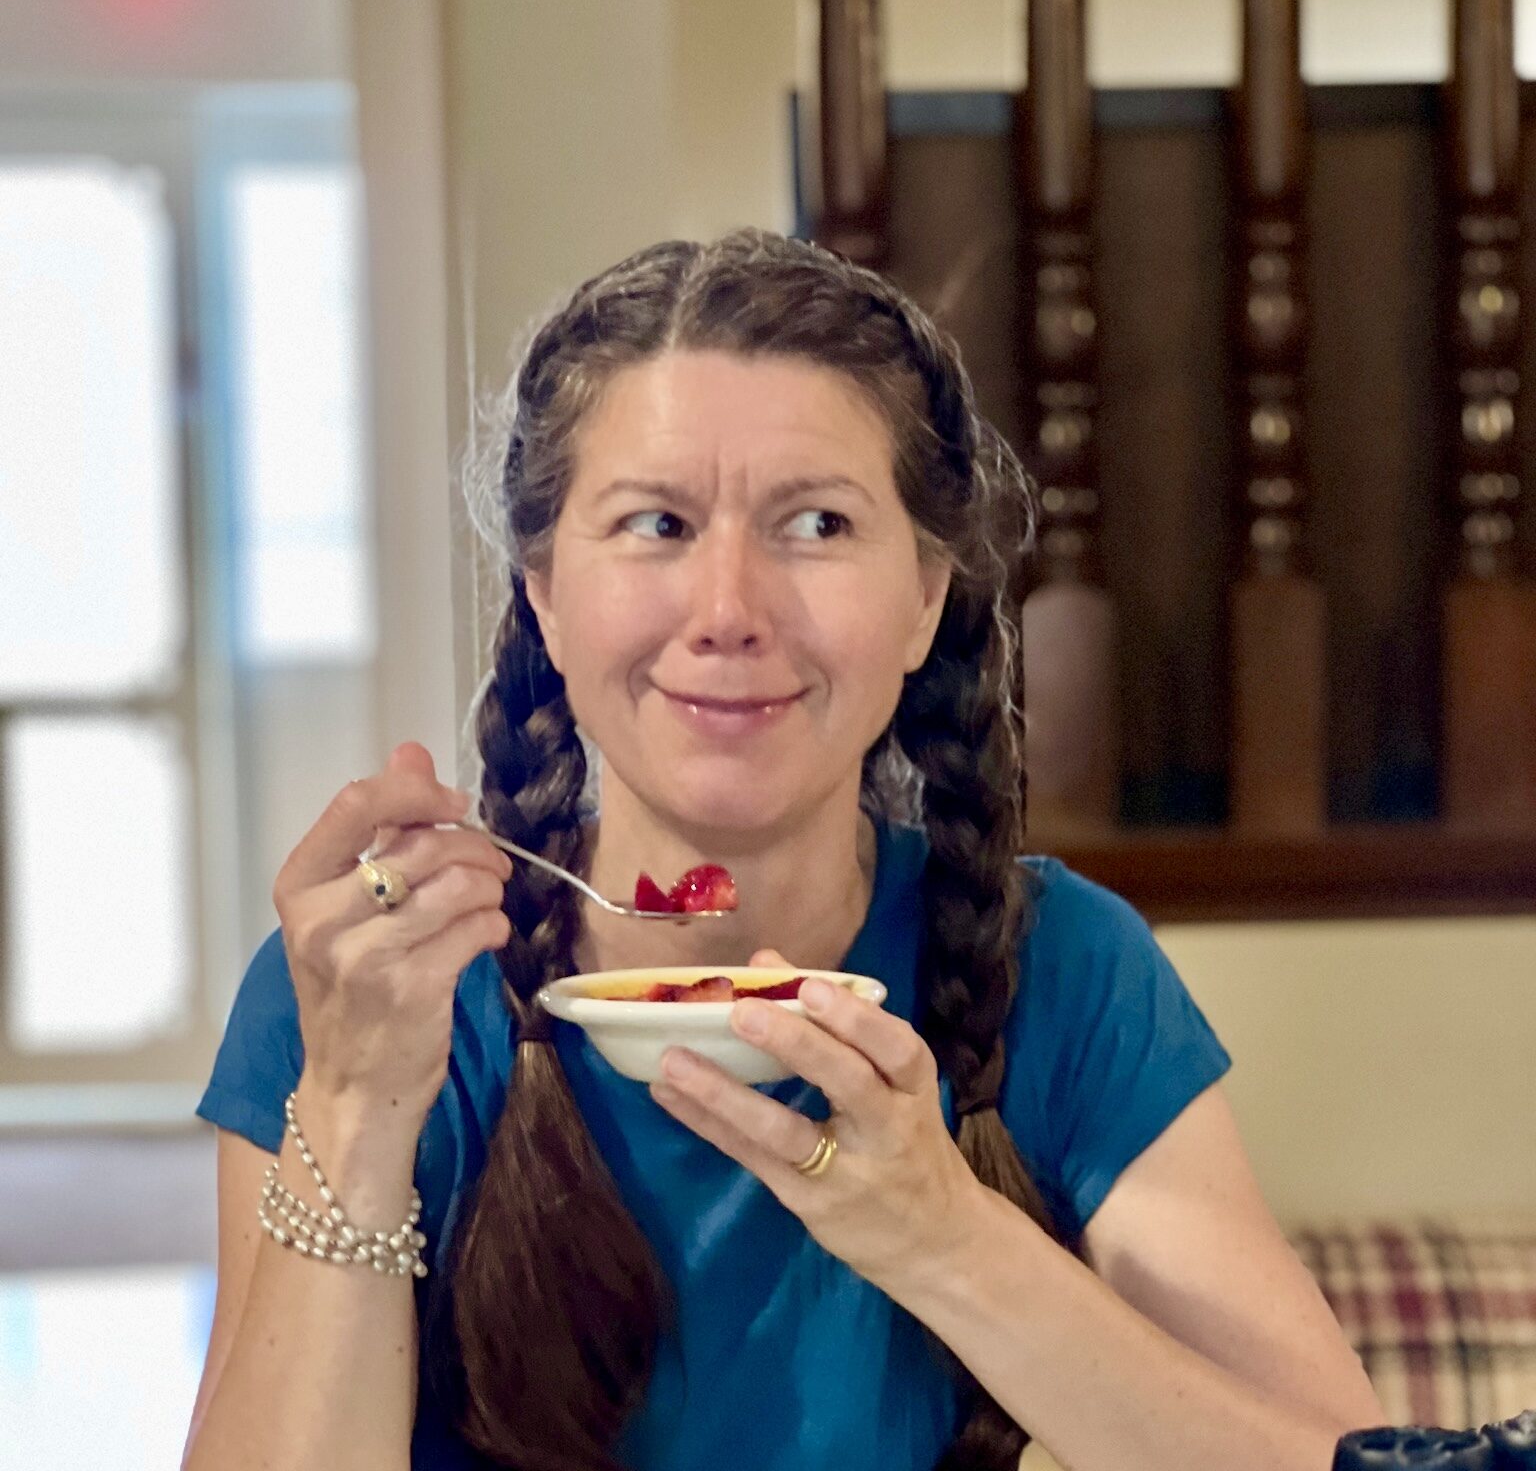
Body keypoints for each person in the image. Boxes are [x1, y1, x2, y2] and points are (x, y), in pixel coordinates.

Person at [183, 229, 1382, 1471]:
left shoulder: (1067, 969)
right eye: (656, 524)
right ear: (542, 590)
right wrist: (354, 1110)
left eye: (815, 523)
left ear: (925, 594)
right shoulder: (365, 989)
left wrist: (942, 1236)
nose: (729, 614)